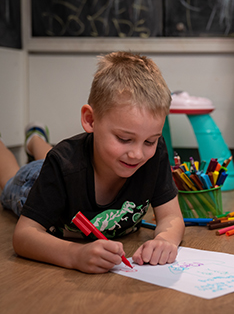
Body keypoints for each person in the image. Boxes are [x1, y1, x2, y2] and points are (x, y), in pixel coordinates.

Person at [0, 51, 185, 273]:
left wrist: (165, 240)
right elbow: (23, 236)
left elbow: (172, 216)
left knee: (58, 160)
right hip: (34, 182)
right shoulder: (62, 164)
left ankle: (35, 139)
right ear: (90, 120)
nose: (137, 154)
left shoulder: (153, 154)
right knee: (10, 178)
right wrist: (74, 255)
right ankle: (31, 141)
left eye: (150, 141)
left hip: (69, 168)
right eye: (124, 139)